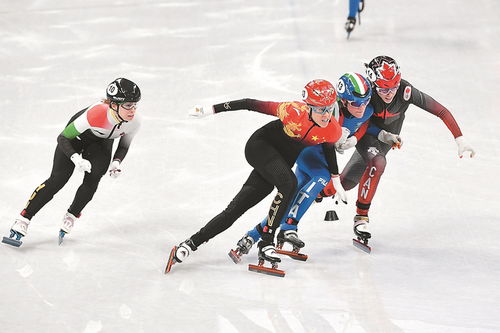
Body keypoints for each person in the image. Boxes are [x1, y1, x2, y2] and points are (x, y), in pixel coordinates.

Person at [165, 79, 344, 273]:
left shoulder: (333, 129)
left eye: (329, 108)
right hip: (260, 147)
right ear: (308, 107)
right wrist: (211, 110)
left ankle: (188, 245)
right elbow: (250, 103)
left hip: (278, 163)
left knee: (234, 210)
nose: (326, 114)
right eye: (320, 109)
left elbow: (329, 148)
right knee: (289, 183)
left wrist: (336, 178)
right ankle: (267, 241)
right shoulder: (292, 111)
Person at [319, 55, 475, 246]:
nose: (389, 93)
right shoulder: (366, 91)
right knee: (376, 163)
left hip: (385, 140)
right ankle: (358, 216)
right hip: (367, 135)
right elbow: (349, 115)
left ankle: (323, 195)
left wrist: (460, 139)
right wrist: (346, 137)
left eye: (393, 87)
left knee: (347, 182)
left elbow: (440, 110)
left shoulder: (405, 90)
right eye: (383, 88)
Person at [231, 72, 374, 259]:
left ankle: (251, 237)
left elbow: (366, 125)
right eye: (356, 103)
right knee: (321, 178)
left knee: (288, 200)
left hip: (322, 159)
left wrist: (357, 138)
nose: (362, 107)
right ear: (343, 101)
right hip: (309, 154)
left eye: (365, 101)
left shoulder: (367, 111)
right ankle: (289, 227)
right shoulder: (331, 113)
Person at [2, 78, 141, 247]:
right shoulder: (96, 114)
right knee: (58, 180)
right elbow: (62, 138)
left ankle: (72, 215)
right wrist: (76, 157)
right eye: (127, 105)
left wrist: (116, 163)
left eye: (134, 104)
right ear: (113, 104)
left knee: (95, 175)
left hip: (100, 143)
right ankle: (23, 218)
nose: (132, 110)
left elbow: (124, 145)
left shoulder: (135, 121)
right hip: (73, 141)